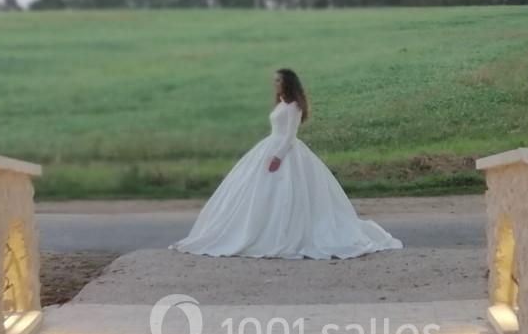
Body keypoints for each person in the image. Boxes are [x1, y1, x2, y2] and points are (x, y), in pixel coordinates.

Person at [171, 69, 402, 259]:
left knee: (288, 193)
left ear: (288, 83)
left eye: (279, 81)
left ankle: (283, 234)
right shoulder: (281, 103)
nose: (276, 85)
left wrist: (278, 157)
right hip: (269, 146)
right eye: (275, 81)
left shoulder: (294, 106)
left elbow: (290, 135)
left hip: (284, 151)